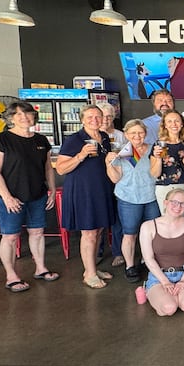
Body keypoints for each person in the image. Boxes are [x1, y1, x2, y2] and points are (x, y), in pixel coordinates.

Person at [0, 101, 59, 292]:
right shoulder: (0, 140)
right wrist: (7, 197)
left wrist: (51, 190)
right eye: (18, 114)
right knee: (10, 236)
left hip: (36, 194)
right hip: (8, 197)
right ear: (10, 118)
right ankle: (11, 276)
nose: (24, 117)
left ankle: (41, 268)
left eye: (27, 114)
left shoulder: (41, 140)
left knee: (37, 232)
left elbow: (48, 168)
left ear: (34, 116)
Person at [56, 104, 115, 289]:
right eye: (90, 117)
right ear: (82, 119)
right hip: (83, 191)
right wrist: (80, 156)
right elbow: (60, 168)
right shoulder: (74, 140)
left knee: (98, 231)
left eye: (98, 116)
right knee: (88, 232)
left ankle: (92, 268)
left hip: (101, 189)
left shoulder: (104, 137)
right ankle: (89, 274)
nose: (94, 120)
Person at [105, 119, 160, 283]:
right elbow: (116, 178)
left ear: (146, 133)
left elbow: (155, 173)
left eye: (140, 132)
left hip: (151, 196)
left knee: (152, 234)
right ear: (126, 134)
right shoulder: (121, 151)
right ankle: (130, 266)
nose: (137, 136)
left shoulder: (153, 149)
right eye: (133, 133)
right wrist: (108, 164)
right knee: (130, 234)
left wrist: (158, 158)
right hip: (128, 197)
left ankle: (147, 261)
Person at [139, 188, 184, 316]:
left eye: (183, 204)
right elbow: (149, 258)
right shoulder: (148, 226)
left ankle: (177, 295)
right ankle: (146, 290)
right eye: (174, 202)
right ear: (165, 203)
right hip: (159, 275)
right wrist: (165, 282)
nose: (178, 207)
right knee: (169, 308)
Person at [97, 102, 125, 266]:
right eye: (102, 116)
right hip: (98, 183)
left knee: (117, 219)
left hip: (117, 181)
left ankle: (118, 252)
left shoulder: (120, 135)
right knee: (99, 218)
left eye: (109, 116)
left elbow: (128, 156)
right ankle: (98, 251)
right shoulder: (91, 136)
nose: (105, 120)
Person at [152, 109, 184, 214]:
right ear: (164, 125)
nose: (173, 124)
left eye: (177, 121)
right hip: (165, 188)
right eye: (169, 121)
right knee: (168, 223)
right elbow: (154, 173)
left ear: (182, 124)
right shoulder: (158, 144)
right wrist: (158, 158)